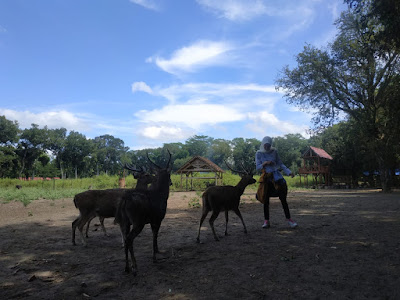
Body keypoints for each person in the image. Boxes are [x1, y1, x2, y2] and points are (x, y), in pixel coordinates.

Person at [255, 136, 298, 228]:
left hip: (277, 176)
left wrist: (289, 172)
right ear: (263, 144)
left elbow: (280, 163)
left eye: (269, 145)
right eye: (265, 145)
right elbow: (258, 167)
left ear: (271, 144)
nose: (267, 147)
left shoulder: (274, 152)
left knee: (283, 198)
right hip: (266, 177)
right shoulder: (259, 153)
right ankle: (266, 221)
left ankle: (289, 220)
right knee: (265, 200)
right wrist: (265, 163)